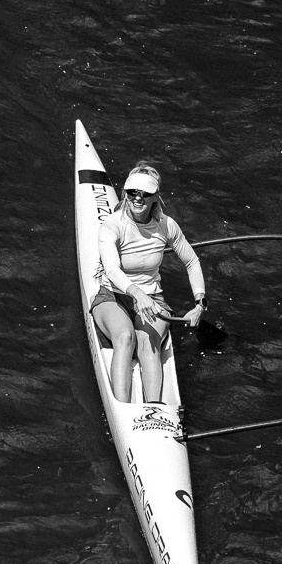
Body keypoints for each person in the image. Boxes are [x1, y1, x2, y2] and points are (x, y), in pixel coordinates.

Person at [92, 161, 206, 404]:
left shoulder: (166, 225)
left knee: (146, 343)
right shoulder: (113, 225)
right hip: (113, 295)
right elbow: (111, 269)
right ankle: (122, 410)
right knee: (125, 338)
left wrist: (199, 303)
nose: (137, 198)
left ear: (155, 197)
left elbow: (192, 262)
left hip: (152, 298)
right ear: (125, 194)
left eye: (144, 194)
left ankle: (155, 410)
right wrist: (135, 292)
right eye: (132, 192)